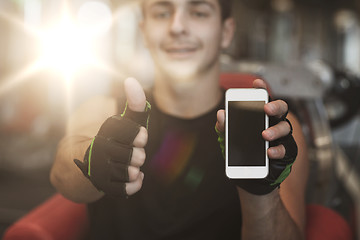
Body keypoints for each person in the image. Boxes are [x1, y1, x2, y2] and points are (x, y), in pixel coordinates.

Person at [50, 0, 309, 239]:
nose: (177, 27)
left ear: (226, 32)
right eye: (162, 13)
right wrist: (93, 158)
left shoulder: (273, 131)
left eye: (198, 12)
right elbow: (62, 175)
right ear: (144, 31)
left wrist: (261, 194)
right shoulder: (103, 109)